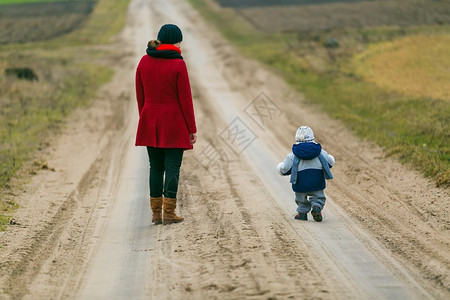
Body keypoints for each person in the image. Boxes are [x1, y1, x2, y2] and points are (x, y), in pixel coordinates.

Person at [135, 24, 197, 225]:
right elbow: (185, 100)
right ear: (177, 42)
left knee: (155, 167)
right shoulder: (178, 64)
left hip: (150, 118)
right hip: (174, 122)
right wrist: (191, 129)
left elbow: (140, 95)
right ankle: (169, 213)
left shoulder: (144, 61)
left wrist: (145, 117)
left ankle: (155, 213)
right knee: (172, 168)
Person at [277, 126, 335, 222]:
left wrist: (279, 168)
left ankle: (302, 213)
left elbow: (284, 169)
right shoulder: (320, 152)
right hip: (317, 181)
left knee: (300, 198)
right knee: (319, 196)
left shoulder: (292, 156)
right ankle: (317, 206)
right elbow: (330, 162)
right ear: (312, 138)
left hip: (300, 183)